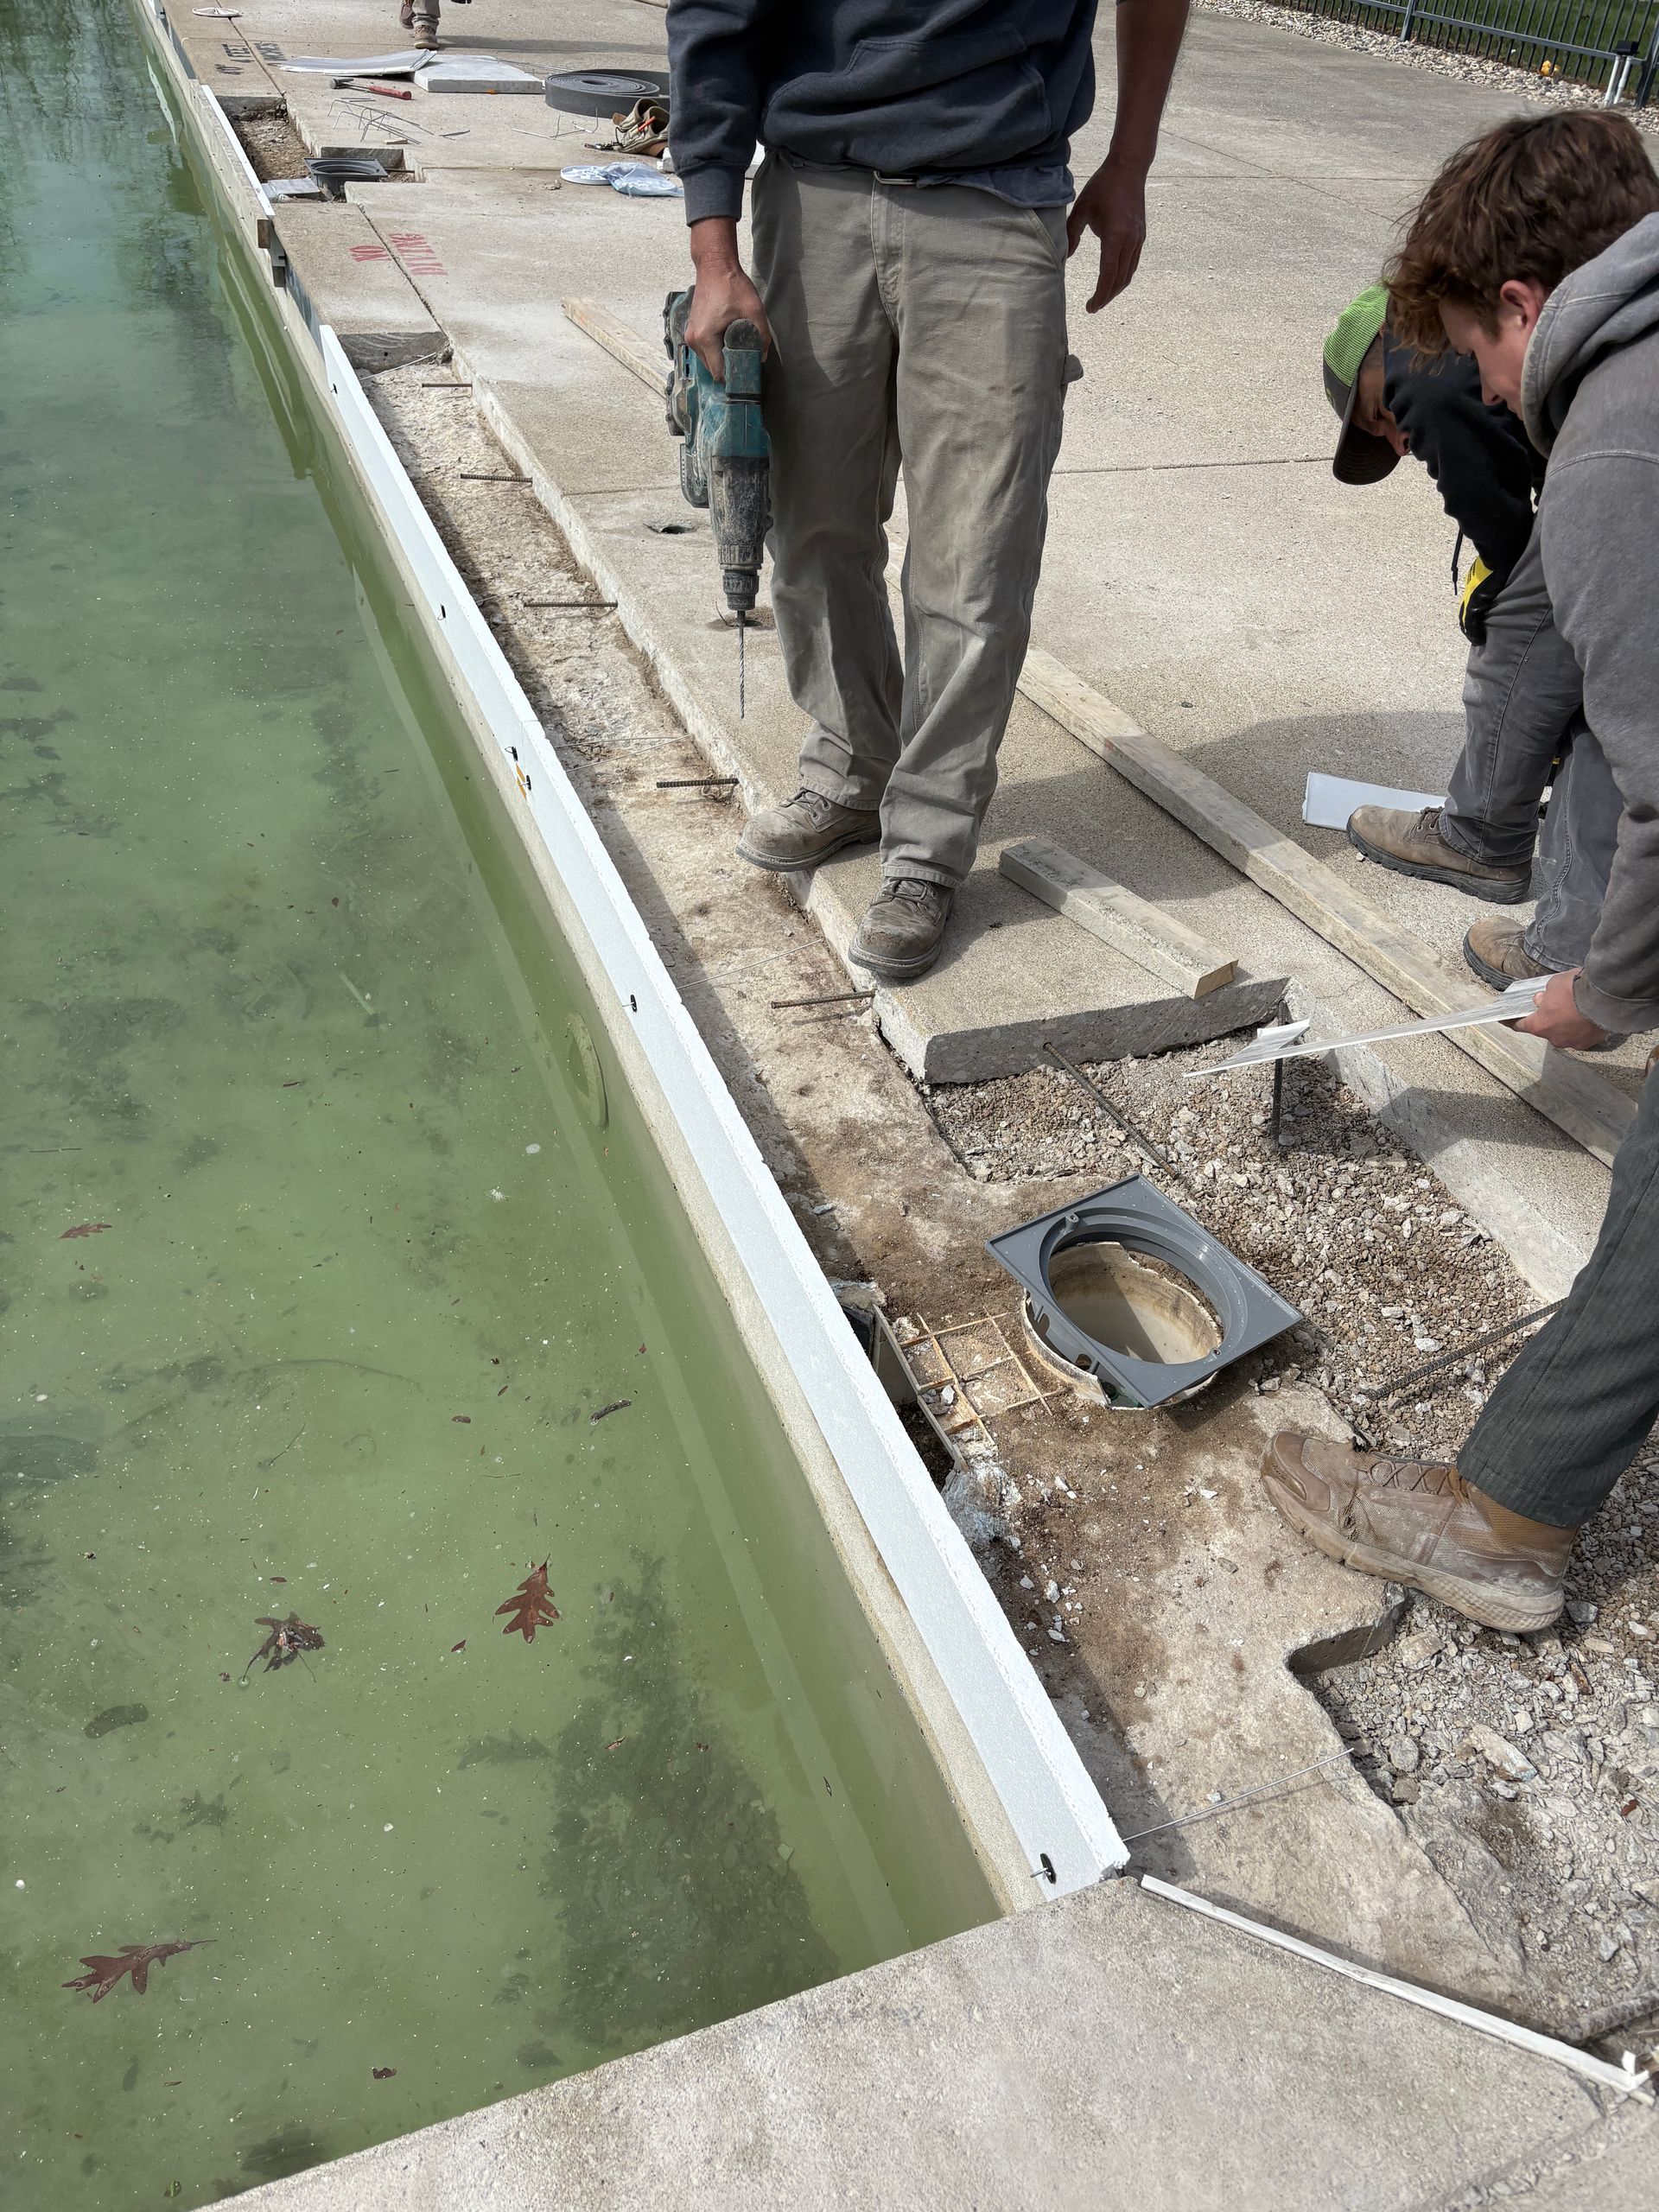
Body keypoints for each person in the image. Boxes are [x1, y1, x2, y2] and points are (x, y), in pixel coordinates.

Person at [1265, 109, 1659, 1633]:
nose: (1495, 399)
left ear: (1519, 303)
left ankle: (1504, 1514)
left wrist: (1606, 988)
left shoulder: (1618, 424)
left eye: (1479, 361)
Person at [665, 0, 1192, 982]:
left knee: (976, 552)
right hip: (812, 190)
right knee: (812, 522)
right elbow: (717, 11)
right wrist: (713, 250)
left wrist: (1132, 161)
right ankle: (853, 764)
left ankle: (927, 849)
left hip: (995, 198)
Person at [1321, 283, 1621, 995]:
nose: (1400, 438)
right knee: (1599, 709)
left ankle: (1482, 841)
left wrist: (1499, 581)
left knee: (1519, 646)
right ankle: (1577, 942)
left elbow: (1496, 515)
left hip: (1620, 481)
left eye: (1376, 415)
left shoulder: (1413, 361)